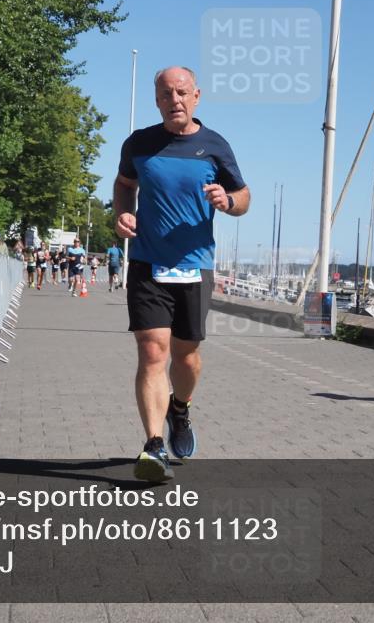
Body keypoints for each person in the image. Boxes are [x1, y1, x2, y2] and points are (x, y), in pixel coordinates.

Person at [113, 66, 250, 482]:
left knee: (185, 357)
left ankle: (180, 409)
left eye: (182, 92)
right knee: (153, 352)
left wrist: (227, 199)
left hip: (195, 265)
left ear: (197, 97)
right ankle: (154, 446)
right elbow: (123, 183)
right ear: (156, 100)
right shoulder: (139, 143)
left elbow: (244, 198)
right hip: (147, 263)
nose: (174, 99)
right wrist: (122, 211)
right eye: (166, 93)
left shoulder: (214, 146)